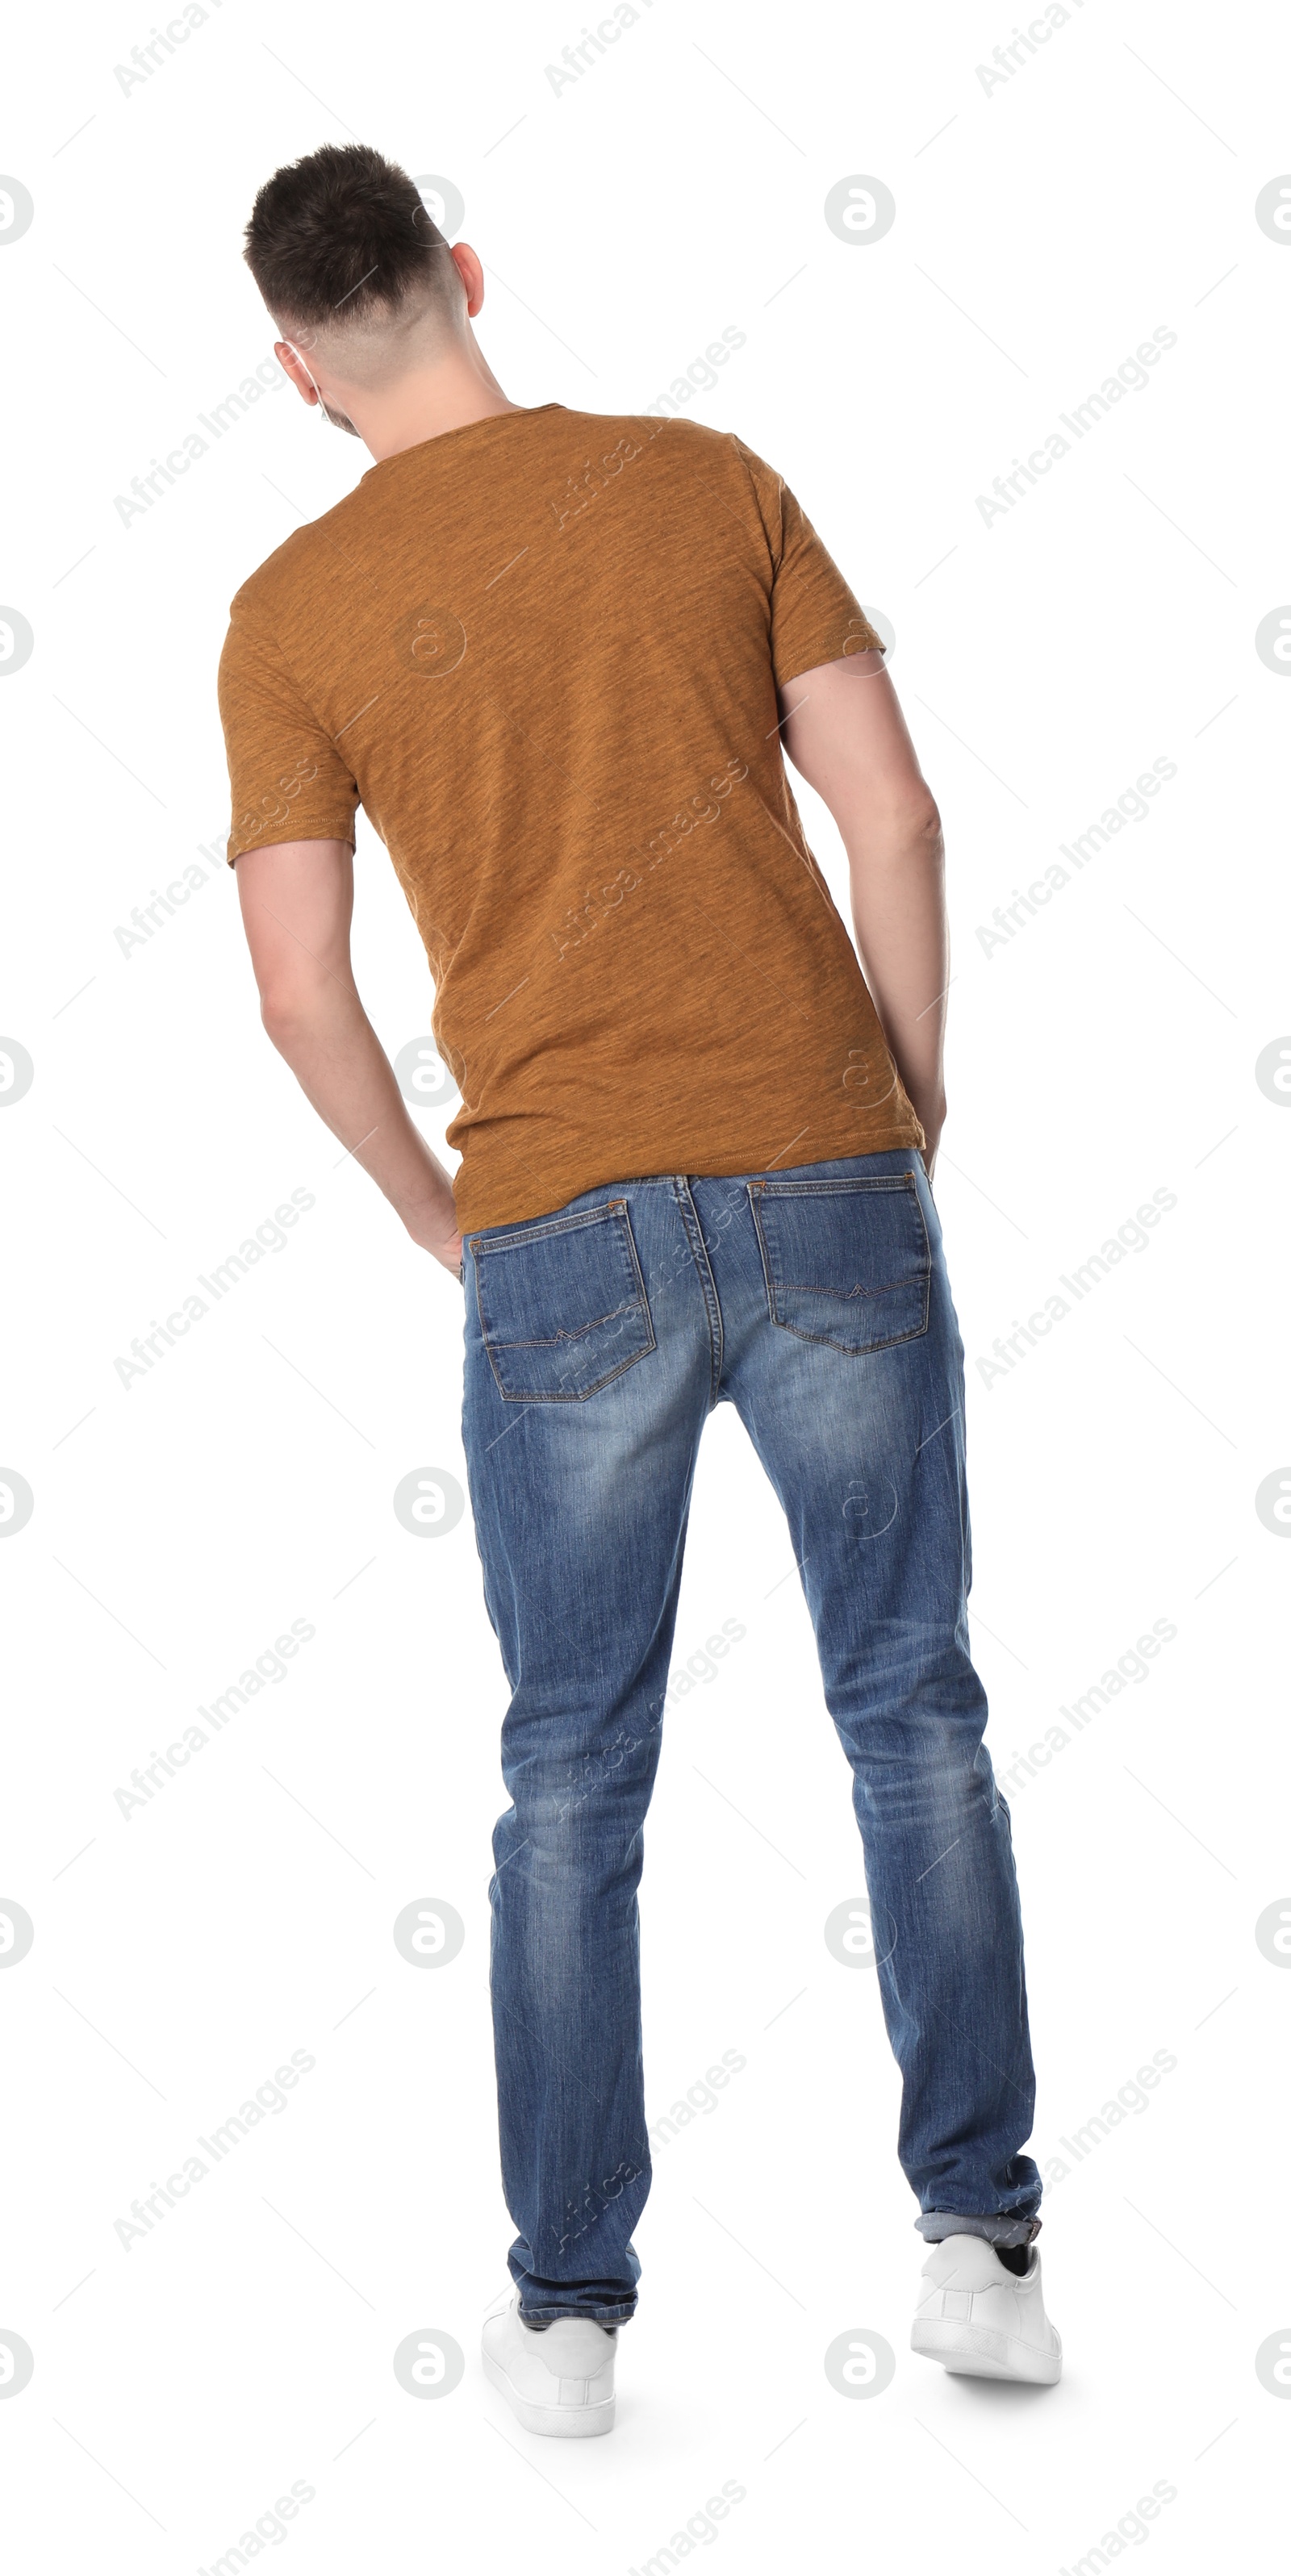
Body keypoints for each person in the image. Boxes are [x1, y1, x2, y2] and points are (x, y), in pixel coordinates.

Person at [219, 142, 1061, 2435]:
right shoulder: (709, 479)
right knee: (916, 1709)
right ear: (469, 274)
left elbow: (301, 990)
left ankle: (572, 2310)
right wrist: (906, 1091)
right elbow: (898, 817)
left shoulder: (292, 611)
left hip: (558, 1225)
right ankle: (981, 2242)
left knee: (571, 1769)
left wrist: (436, 1210)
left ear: (296, 370)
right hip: (825, 1170)